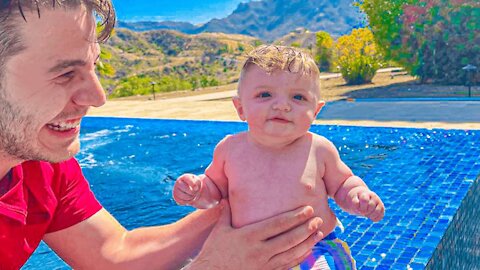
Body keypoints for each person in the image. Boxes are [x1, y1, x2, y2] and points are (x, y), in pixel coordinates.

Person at [0, 1, 325, 269]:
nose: (98, 97)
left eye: (93, 66)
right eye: (65, 73)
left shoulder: (41, 164)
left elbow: (114, 253)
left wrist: (237, 207)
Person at [173, 45, 386, 269]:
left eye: (298, 97)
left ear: (315, 111)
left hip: (313, 249)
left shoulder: (319, 149)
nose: (282, 105)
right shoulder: (229, 150)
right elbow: (214, 192)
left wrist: (357, 195)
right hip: (248, 253)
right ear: (240, 108)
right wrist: (197, 191)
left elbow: (343, 183)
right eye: (265, 94)